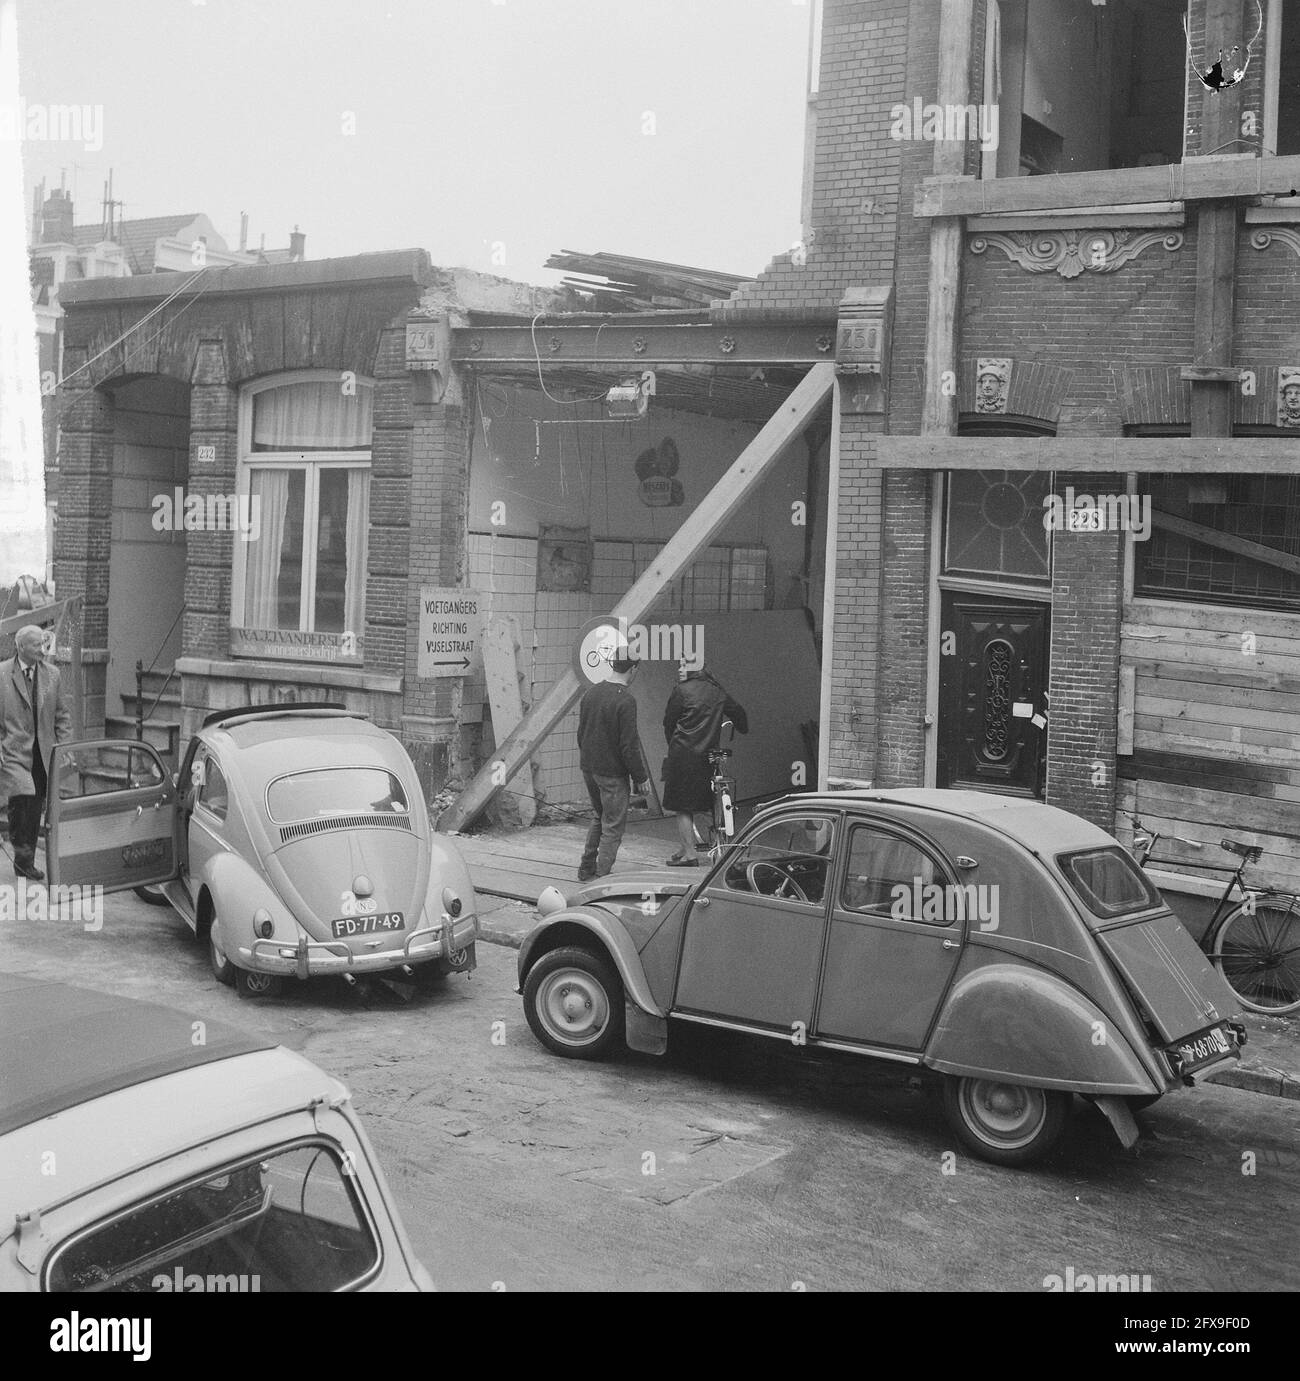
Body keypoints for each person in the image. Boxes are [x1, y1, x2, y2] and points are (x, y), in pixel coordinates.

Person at [0, 625, 72, 880]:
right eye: (36, 645)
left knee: (33, 806)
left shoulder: (52, 674)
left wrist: (64, 748)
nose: (42, 649)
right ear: (21, 647)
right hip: (14, 753)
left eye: (43, 644)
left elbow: (62, 715)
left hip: (43, 754)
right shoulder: (2, 673)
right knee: (20, 806)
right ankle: (22, 855)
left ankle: (24, 858)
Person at [661, 661, 748, 866]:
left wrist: (673, 743)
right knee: (704, 799)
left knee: (682, 807)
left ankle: (690, 855)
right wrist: (741, 727)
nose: (680, 669)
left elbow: (668, 723)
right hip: (707, 756)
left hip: (683, 755)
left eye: (683, 665)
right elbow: (739, 714)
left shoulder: (681, 691)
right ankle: (687, 845)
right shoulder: (717, 691)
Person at [576, 654, 651, 881]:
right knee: (613, 825)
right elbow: (629, 745)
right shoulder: (626, 701)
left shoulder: (591, 693)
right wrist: (640, 776)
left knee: (600, 816)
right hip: (612, 773)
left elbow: (581, 733)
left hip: (589, 767)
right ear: (633, 669)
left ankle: (585, 867)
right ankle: (601, 876)